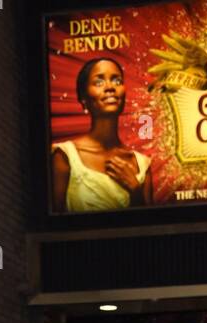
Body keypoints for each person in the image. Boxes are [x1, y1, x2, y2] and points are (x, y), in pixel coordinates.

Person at [51, 58, 152, 213]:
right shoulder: (64, 156)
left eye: (117, 81)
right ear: (83, 99)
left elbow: (150, 228)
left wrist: (135, 190)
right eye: (99, 83)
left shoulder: (142, 164)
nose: (110, 87)